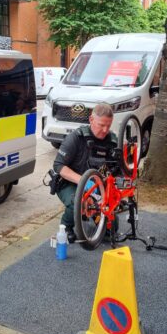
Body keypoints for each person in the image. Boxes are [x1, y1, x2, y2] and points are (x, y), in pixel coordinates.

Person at [53, 103, 117, 243]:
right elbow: (58, 166)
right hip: (69, 183)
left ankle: (93, 218)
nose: (105, 130)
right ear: (91, 120)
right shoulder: (75, 138)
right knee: (77, 200)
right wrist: (84, 182)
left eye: (108, 125)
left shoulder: (112, 141)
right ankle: (67, 226)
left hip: (96, 185)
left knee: (112, 227)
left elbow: (116, 168)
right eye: (101, 125)